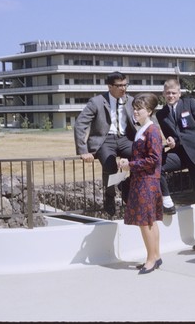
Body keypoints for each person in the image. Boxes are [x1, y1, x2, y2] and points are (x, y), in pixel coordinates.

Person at [156, 79, 195, 251]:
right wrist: (171, 141)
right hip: (180, 154)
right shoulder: (162, 114)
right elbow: (171, 136)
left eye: (174, 93)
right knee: (156, 164)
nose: (171, 96)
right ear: (164, 94)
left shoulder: (190, 104)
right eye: (168, 93)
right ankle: (167, 200)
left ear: (179, 93)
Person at [74, 71, 137, 217]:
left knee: (140, 159)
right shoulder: (96, 102)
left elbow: (142, 120)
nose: (123, 88)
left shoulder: (131, 100)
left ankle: (125, 185)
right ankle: (109, 196)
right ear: (110, 86)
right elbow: (80, 124)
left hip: (125, 139)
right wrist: (83, 150)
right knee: (110, 166)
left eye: (125, 85)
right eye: (119, 85)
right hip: (104, 140)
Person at [118, 93, 164, 275]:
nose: (135, 112)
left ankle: (151, 259)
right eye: (134, 108)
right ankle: (155, 255)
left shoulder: (151, 131)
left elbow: (153, 159)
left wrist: (129, 164)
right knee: (149, 221)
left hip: (147, 182)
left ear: (150, 111)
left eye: (139, 109)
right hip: (142, 180)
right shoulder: (143, 129)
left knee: (146, 222)